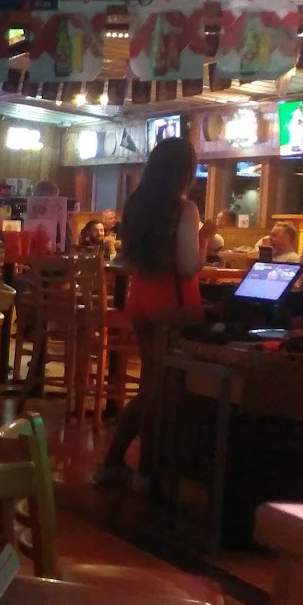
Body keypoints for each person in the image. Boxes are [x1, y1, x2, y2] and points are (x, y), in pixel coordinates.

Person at [96, 136, 203, 488]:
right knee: (160, 390)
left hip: (141, 299)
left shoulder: (136, 203)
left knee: (152, 384)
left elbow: (129, 258)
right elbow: (188, 266)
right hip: (173, 302)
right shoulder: (184, 209)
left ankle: (121, 465)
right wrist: (205, 239)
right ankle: (142, 469)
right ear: (185, 171)